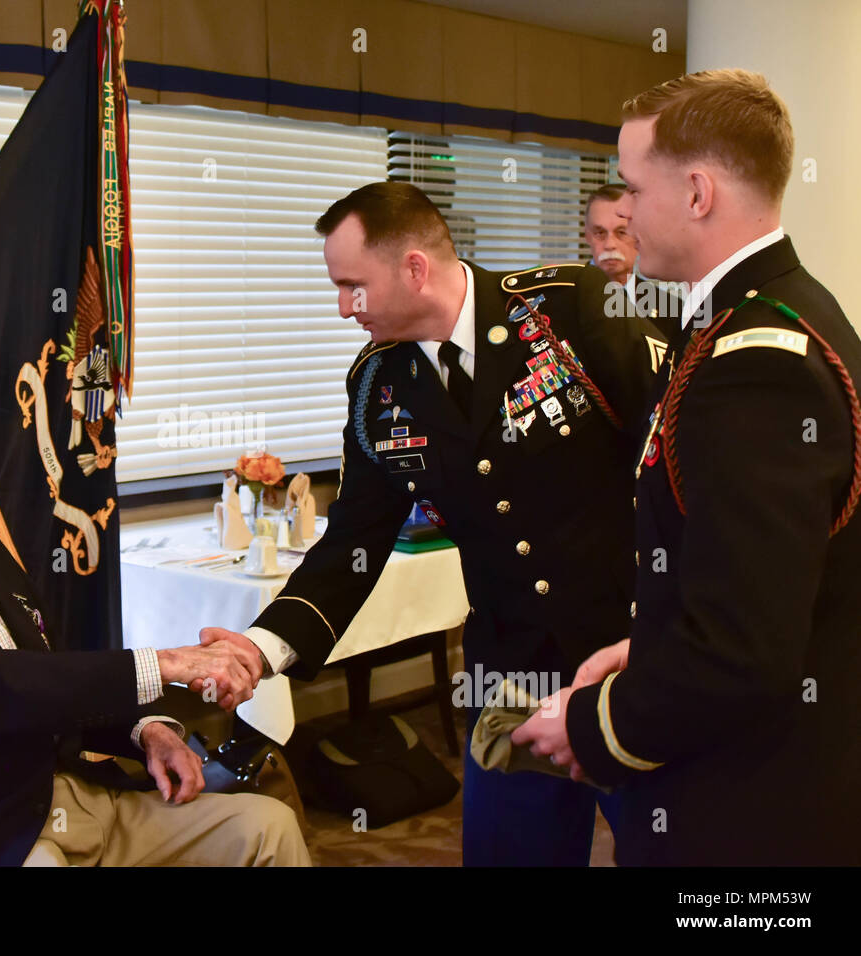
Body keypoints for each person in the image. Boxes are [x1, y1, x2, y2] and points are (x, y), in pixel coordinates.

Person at [201, 182, 666, 865]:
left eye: (352, 287)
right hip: (511, 682)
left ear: (415, 268)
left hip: (636, 662)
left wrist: (682, 634)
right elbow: (352, 545)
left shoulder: (571, 311)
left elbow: (680, 474)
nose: (342, 309)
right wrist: (261, 648)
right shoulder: (377, 386)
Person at [513, 68, 861, 865]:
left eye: (633, 188)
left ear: (698, 192)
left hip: (754, 810)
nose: (622, 211)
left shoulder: (755, 360)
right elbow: (764, 576)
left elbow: (744, 649)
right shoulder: (774, 308)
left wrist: (596, 728)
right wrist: (651, 649)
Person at [0, 375, 309, 866]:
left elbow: (53, 676)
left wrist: (144, 730)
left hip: (82, 796)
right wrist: (167, 663)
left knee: (266, 827)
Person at [583, 183, 638, 285]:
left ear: (639, 236)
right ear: (587, 236)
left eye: (621, 232)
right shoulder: (559, 298)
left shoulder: (665, 300)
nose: (610, 245)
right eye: (600, 233)